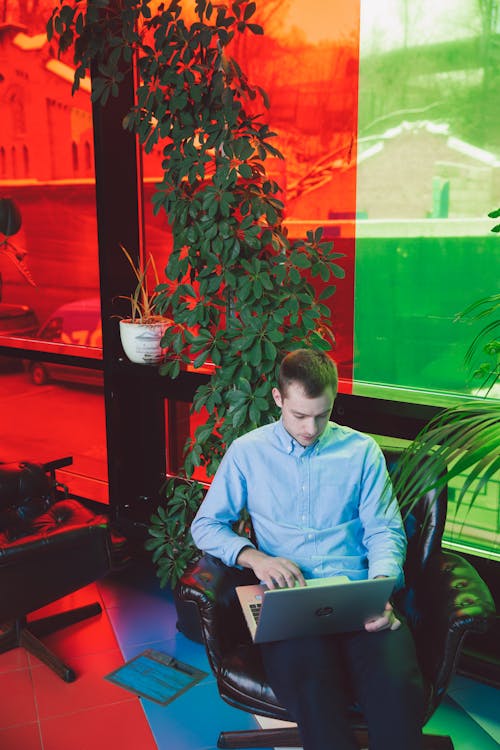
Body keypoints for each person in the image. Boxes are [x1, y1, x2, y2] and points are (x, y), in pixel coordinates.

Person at [191, 348, 424, 750]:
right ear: (278, 398)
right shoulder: (248, 452)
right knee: (316, 697)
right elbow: (207, 524)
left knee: (396, 691)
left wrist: (381, 587)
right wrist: (255, 557)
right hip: (289, 605)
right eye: (300, 416)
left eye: (323, 414)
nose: (312, 428)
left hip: (359, 595)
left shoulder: (361, 451)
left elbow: (385, 530)